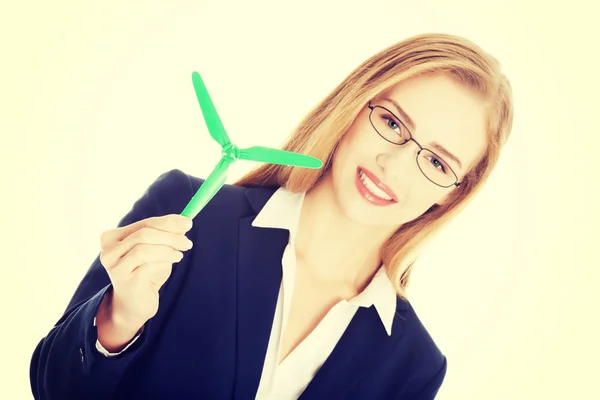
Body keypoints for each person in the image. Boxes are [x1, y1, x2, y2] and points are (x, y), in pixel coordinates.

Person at [29, 32, 514, 399]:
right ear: (351, 105)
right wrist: (120, 318)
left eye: (436, 162)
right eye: (391, 122)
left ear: (452, 196)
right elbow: (54, 387)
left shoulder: (414, 366)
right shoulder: (187, 215)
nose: (394, 165)